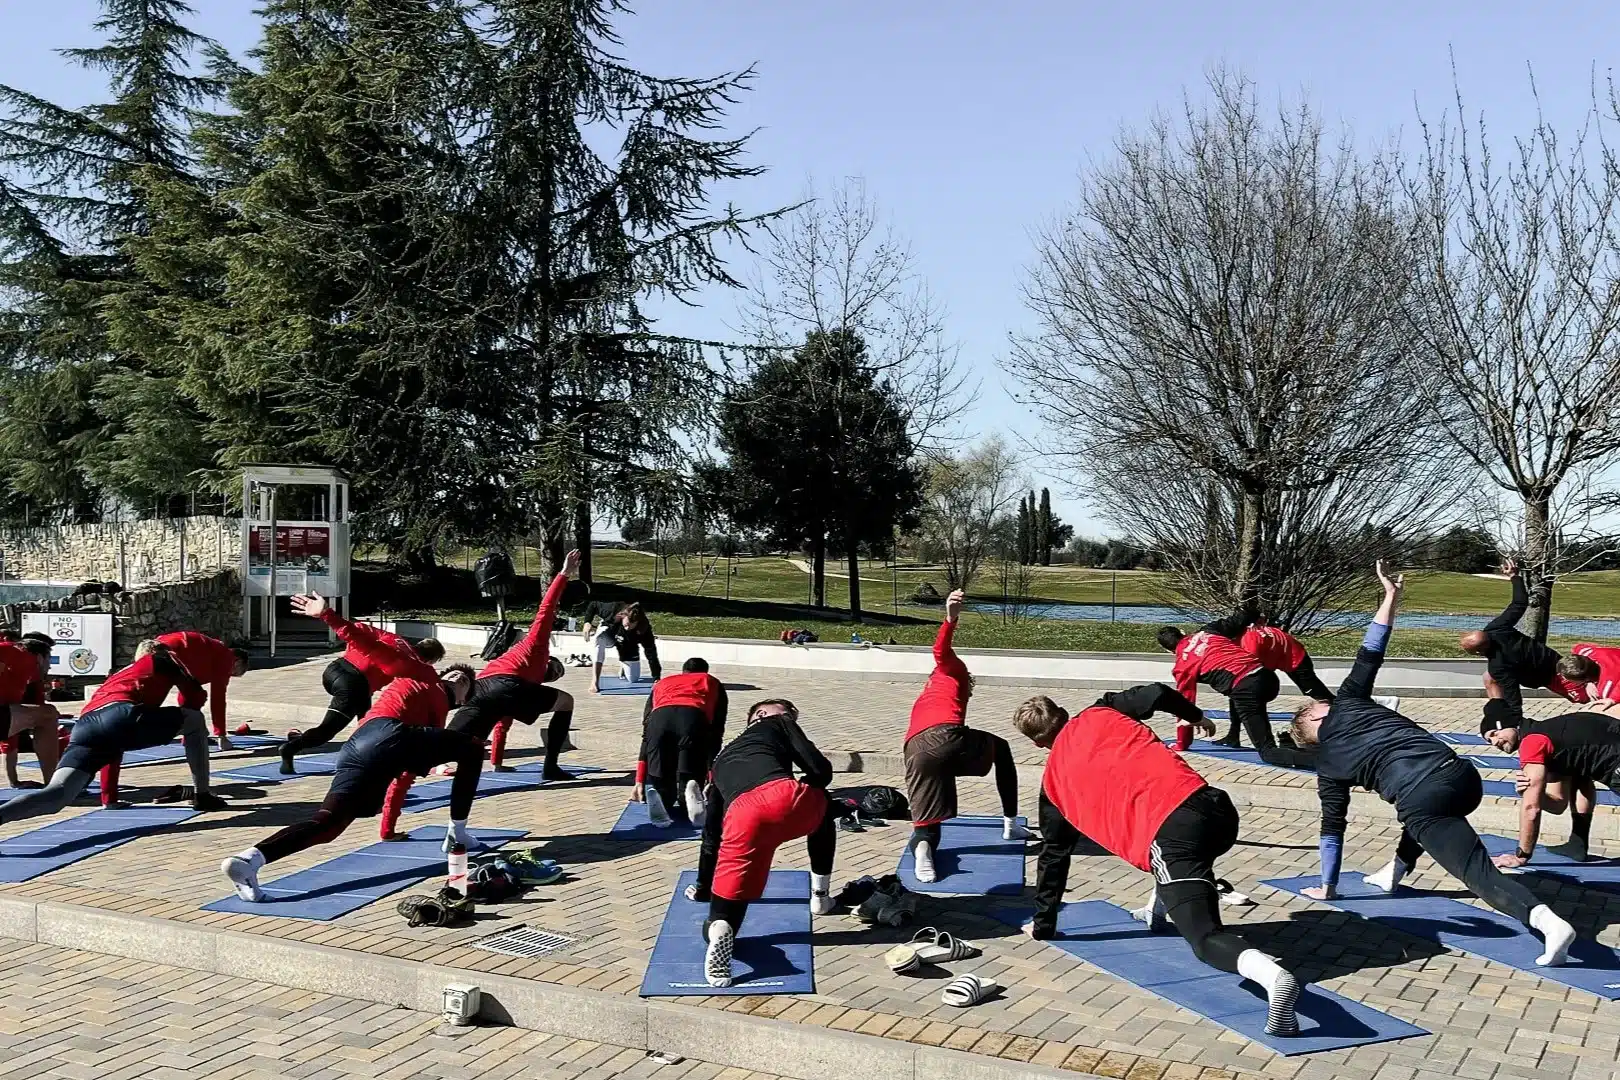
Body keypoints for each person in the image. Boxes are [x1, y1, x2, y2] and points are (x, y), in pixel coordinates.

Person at [1290, 561, 1577, 967]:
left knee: (1476, 872)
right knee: (1425, 819)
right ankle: (1393, 872)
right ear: (1316, 719)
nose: (1326, 700)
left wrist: (1328, 885)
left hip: (1424, 797)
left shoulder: (1329, 767)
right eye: (1320, 703)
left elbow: (1332, 828)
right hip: (1462, 776)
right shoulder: (1352, 698)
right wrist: (1391, 596)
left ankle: (1548, 924)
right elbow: (1373, 645)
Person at [1010, 682, 1303, 1037]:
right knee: (1185, 863)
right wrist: (1195, 716)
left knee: (1205, 938)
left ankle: (1274, 980)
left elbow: (1054, 857)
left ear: (1039, 743)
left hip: (1174, 836)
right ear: (1064, 714)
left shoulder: (1053, 784)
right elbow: (1158, 692)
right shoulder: (1103, 710)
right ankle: (1155, 911)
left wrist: (1043, 925)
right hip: (1215, 808)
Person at [221, 662, 481, 900]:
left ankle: (250, 859)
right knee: (474, 749)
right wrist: (329, 617)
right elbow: (384, 647)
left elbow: (404, 778)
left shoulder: (438, 711)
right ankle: (457, 833)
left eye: (465, 682)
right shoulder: (422, 676)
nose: (458, 677)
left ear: (461, 700)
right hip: (384, 733)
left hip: (358, 747)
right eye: (453, 673)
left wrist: (387, 829)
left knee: (329, 825)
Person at [685, 699, 839, 987]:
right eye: (790, 714)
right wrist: (809, 782)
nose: (793, 718)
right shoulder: (779, 723)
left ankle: (720, 928)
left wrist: (703, 888)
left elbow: (711, 840)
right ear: (762, 714)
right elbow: (821, 769)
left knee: (725, 913)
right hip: (786, 798)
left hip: (743, 817)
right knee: (824, 810)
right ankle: (820, 896)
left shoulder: (721, 759)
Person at [0, 642, 228, 823]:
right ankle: (203, 794)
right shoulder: (163, 657)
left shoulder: (119, 676)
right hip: (122, 714)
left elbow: (114, 741)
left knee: (57, 795)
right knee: (195, 720)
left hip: (87, 725)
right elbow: (194, 699)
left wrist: (109, 797)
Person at [902, 589, 1029, 884]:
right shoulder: (951, 671)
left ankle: (923, 852)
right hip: (947, 738)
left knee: (928, 820)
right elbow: (940, 652)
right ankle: (1010, 824)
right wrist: (950, 618)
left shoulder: (925, 698)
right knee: (1002, 749)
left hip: (916, 750)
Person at [449, 550, 579, 783]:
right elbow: (546, 608)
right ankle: (550, 767)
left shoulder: (518, 668)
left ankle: (400, 763)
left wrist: (497, 762)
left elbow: (503, 721)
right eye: (557, 670)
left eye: (556, 676)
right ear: (550, 662)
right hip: (503, 686)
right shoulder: (537, 647)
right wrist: (563, 574)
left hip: (480, 690)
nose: (554, 674)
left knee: (447, 741)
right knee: (566, 702)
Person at [280, 616, 443, 773]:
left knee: (367, 719)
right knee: (327, 731)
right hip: (354, 685)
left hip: (335, 669)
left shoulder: (396, 638)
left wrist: (354, 650)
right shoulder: (412, 664)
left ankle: (367, 756)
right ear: (429, 661)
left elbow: (358, 628)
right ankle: (291, 748)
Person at [1158, 605, 1313, 767]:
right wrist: (1256, 613)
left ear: (1167, 650)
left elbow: (1185, 706)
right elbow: (1242, 617)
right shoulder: (1209, 631)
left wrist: (1182, 743)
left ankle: (1326, 762)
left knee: (1268, 752)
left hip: (1246, 690)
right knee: (1246, 704)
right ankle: (1276, 742)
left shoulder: (1182, 666)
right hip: (1267, 678)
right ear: (1183, 632)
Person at [1483, 700, 1620, 866]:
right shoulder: (1556, 738)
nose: (1494, 742)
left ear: (1509, 724)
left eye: (1495, 734)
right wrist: (1530, 792)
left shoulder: (1532, 742)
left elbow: (1531, 808)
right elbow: (1558, 804)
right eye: (1489, 741)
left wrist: (1521, 855)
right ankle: (1577, 844)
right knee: (1579, 778)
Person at [1458, 561, 1586, 726]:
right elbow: (1519, 603)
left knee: (1586, 697)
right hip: (1557, 662)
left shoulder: (1498, 665)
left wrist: (1514, 723)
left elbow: (1513, 695)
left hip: (1555, 676)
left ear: (1478, 652)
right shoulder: (1497, 628)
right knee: (1488, 678)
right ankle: (1498, 712)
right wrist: (1514, 576)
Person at [632, 657, 728, 825]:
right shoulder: (711, 681)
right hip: (693, 719)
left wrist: (639, 780)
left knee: (660, 773)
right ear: (705, 672)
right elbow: (716, 733)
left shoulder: (662, 683)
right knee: (689, 773)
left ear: (683, 671)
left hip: (659, 720)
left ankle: (660, 799)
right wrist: (712, 777)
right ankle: (690, 796)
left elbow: (646, 734)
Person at [154, 632, 250, 749]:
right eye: (234, 673)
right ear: (238, 661)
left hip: (160, 643)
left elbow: (187, 691)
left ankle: (187, 733)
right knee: (195, 697)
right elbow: (218, 699)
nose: (230, 676)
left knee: (192, 696)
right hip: (177, 648)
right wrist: (221, 735)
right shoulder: (226, 658)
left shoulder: (212, 656)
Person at [0, 633, 61, 785]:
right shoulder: (21, 654)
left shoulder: (27, 683)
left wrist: (14, 781)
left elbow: (10, 735)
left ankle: (52, 783)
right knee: (49, 715)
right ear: (40, 657)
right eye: (49, 659)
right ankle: (54, 785)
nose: (50, 666)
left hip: (3, 717)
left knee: (47, 714)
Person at [1241, 619, 1334, 704]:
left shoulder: (1249, 638)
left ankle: (1335, 706)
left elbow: (1251, 664)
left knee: (1311, 689)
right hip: (1289, 652)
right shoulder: (1251, 632)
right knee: (1309, 688)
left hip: (1294, 657)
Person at [587, 601, 661, 692]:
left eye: (630, 627)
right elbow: (593, 605)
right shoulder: (613, 609)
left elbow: (651, 653)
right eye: (626, 625)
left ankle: (624, 665)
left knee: (632, 679)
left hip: (627, 645)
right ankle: (595, 681)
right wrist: (587, 622)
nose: (627, 628)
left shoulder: (644, 629)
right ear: (623, 616)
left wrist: (656, 678)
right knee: (599, 639)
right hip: (610, 633)